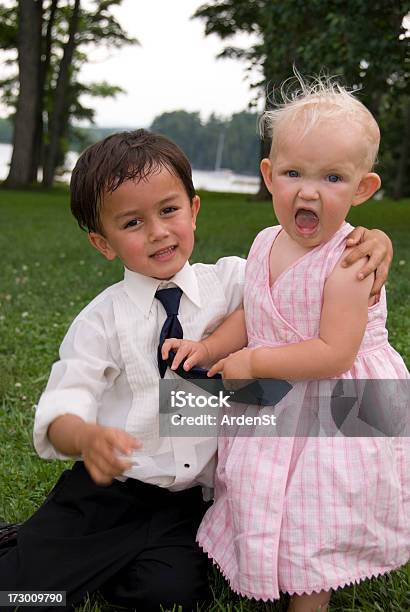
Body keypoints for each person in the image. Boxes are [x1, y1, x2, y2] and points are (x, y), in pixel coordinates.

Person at [0, 129, 393, 612]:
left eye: (169, 211)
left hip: (189, 502)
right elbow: (67, 397)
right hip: (110, 490)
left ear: (194, 210)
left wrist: (373, 239)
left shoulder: (234, 278)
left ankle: (114, 566)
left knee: (171, 598)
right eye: (132, 222)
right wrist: (82, 437)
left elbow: (307, 270)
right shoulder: (100, 320)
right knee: (26, 595)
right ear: (103, 243)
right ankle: (26, 548)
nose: (159, 232)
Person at [162, 78, 410, 611]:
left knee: (318, 501)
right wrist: (209, 350)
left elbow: (334, 354)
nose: (309, 191)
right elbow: (255, 310)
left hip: (339, 402)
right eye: (294, 173)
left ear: (363, 189)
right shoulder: (265, 242)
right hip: (279, 392)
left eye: (333, 177)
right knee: (259, 481)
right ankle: (262, 560)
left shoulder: (349, 263)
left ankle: (309, 593)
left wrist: (254, 361)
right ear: (270, 176)